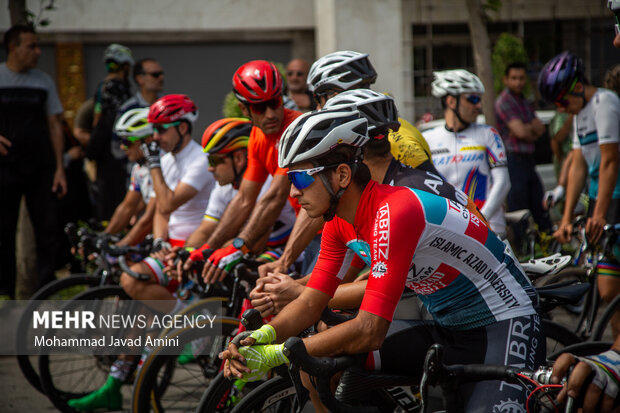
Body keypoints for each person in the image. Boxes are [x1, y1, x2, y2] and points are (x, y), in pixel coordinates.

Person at [220, 107, 544, 413]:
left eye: (300, 179)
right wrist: (260, 336)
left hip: (504, 320)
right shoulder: (338, 223)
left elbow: (369, 330)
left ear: (343, 175)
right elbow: (309, 303)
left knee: (311, 352)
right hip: (446, 327)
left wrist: (276, 354)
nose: (293, 193)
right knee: (316, 371)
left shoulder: (396, 212)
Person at [251, 89, 488, 319]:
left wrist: (297, 292)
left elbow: (387, 289)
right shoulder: (369, 196)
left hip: (473, 304)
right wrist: (287, 285)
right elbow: (346, 270)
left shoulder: (405, 194)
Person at [67, 94, 214, 411]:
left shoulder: (198, 159)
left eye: (161, 130)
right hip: (170, 245)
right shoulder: (170, 158)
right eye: (155, 130)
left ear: (183, 128)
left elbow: (168, 203)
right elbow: (159, 213)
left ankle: (195, 326)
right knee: (138, 312)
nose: (156, 137)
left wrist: (154, 166)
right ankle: (114, 385)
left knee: (131, 280)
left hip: (195, 247)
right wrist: (160, 242)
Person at [258, 50, 438, 278]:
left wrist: (286, 264)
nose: (317, 108)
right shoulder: (353, 134)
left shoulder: (390, 139)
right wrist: (285, 261)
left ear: (332, 95)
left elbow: (434, 193)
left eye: (318, 99)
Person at [538, 51, 620, 336]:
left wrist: (598, 216)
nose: (561, 109)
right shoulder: (580, 114)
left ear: (576, 86)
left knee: (612, 288)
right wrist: (565, 219)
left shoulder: (604, 102)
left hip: (615, 198)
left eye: (562, 101)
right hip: (600, 200)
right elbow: (577, 166)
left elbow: (610, 161)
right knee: (609, 290)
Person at [200, 60, 302, 283]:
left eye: (274, 103)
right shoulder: (257, 137)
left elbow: (274, 198)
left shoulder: (294, 129)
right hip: (306, 232)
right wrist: (208, 248)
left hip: (325, 232)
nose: (270, 114)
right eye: (259, 107)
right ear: (244, 109)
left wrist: (238, 246)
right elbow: (244, 199)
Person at [167, 118, 295, 275]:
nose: (210, 168)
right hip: (253, 249)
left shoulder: (266, 183)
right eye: (208, 160)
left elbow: (255, 245)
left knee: (248, 273)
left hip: (286, 250)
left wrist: (208, 255)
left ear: (239, 159)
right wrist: (188, 253)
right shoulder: (223, 187)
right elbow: (206, 229)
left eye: (214, 160)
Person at [0, 24, 66, 298]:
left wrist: (60, 168)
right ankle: (5, 293)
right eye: (31, 46)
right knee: (3, 230)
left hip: (41, 167)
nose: (38, 52)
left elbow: (55, 124)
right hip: (5, 167)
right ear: (13, 47)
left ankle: (45, 293)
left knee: (47, 229)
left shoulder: (43, 81)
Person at [423, 69, 510, 237]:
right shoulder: (428, 139)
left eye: (479, 99)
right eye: (473, 99)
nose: (478, 105)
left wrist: (480, 218)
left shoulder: (488, 134)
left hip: (489, 227)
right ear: (451, 101)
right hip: (450, 231)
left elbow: (503, 181)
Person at [494, 61, 551, 233]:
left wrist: (526, 131)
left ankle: (546, 245)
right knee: (518, 208)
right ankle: (521, 250)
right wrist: (527, 130)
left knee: (539, 204)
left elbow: (540, 129)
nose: (518, 82)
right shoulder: (504, 101)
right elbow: (521, 132)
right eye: (514, 78)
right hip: (513, 161)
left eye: (521, 78)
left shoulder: (524, 101)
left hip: (528, 160)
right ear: (506, 79)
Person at [86, 43, 134, 221]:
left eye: (113, 66)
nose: (111, 72)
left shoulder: (104, 86)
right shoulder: (112, 87)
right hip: (112, 157)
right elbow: (101, 122)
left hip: (113, 155)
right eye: (109, 66)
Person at [104, 107, 156, 247]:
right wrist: (105, 238)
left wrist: (118, 246)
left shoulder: (162, 166)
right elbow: (127, 206)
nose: (122, 147)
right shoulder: (139, 168)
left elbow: (149, 218)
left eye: (127, 142)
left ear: (148, 140)